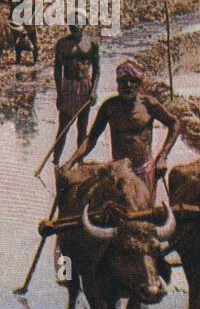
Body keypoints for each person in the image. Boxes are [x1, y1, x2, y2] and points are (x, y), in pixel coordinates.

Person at [62, 58, 181, 202]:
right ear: (117, 83)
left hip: (145, 170)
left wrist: (162, 157)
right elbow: (92, 138)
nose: (128, 85)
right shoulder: (109, 107)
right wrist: (70, 162)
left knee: (145, 214)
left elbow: (174, 123)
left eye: (133, 81)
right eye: (123, 81)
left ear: (139, 84)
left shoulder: (149, 104)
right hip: (119, 172)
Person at [53, 18, 100, 164]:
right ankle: (55, 162)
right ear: (69, 25)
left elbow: (97, 70)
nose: (76, 27)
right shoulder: (62, 44)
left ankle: (80, 162)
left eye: (79, 23)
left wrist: (94, 90)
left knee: (82, 127)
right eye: (73, 24)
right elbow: (57, 70)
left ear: (84, 24)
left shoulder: (92, 43)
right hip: (68, 86)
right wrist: (60, 94)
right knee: (63, 128)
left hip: (85, 86)